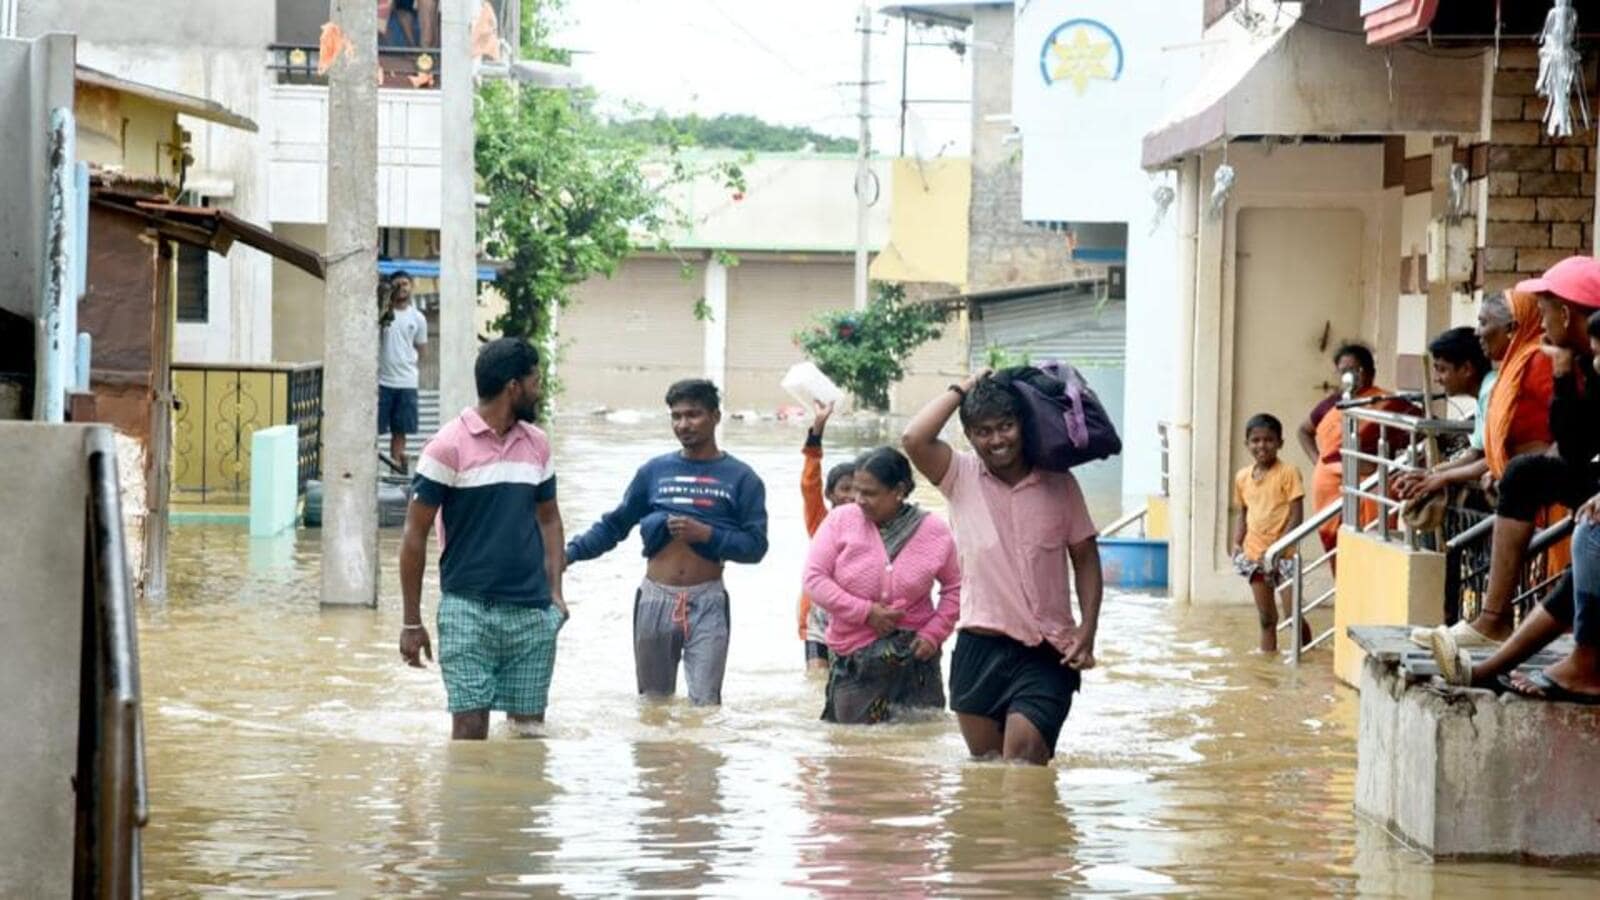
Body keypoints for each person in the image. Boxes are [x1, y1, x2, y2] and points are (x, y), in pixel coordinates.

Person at [902, 371, 1103, 765]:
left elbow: (1085, 557)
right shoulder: (958, 475)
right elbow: (913, 438)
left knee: (1023, 760)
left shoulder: (1060, 483)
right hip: (980, 647)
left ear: (1023, 425)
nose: (997, 440)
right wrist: (964, 387)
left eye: (1006, 426)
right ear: (970, 436)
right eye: (983, 431)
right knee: (988, 772)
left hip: (1048, 651)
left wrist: (1088, 628)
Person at [398, 338, 567, 740]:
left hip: (531, 613)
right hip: (466, 611)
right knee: (470, 733)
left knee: (528, 739)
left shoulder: (537, 444)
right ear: (514, 387)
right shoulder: (447, 446)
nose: (538, 389)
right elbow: (414, 534)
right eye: (535, 381)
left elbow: (550, 521)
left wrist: (556, 596)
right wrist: (410, 621)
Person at [565, 379, 768, 706]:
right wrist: (569, 554)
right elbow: (615, 525)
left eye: (693, 415)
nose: (683, 425)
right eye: (676, 416)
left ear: (716, 416)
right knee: (653, 707)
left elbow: (756, 547)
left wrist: (707, 535)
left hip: (709, 601)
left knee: (706, 706)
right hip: (655, 599)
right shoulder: (654, 472)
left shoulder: (742, 478)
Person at [1431, 258, 1600, 649]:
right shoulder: (1571, 358)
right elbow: (1576, 446)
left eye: (1544, 312)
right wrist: (1562, 375)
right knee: (1524, 474)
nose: (1541, 324)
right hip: (1582, 481)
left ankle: (1577, 653)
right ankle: (1494, 619)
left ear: (1564, 312)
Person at [804, 447, 961, 724]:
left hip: (916, 660)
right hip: (856, 661)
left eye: (870, 493)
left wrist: (934, 634)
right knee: (854, 750)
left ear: (899, 490)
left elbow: (956, 588)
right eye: (856, 491)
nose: (858, 500)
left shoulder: (934, 531)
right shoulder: (841, 520)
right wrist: (865, 612)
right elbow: (814, 579)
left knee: (915, 749)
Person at [1298, 343, 1410, 554]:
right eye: (1344, 371)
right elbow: (1304, 431)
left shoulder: (1388, 403)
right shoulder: (1332, 403)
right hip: (1330, 489)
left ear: (1369, 372)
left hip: (1372, 486)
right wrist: (1319, 463)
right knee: (1337, 547)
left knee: (1375, 545)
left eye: (1355, 370)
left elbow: (1419, 427)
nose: (1350, 376)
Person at [1391, 326, 1496, 505]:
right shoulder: (1483, 393)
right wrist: (1430, 474)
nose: (1436, 379)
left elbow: (1495, 459)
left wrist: (1444, 477)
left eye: (1442, 370)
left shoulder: (1492, 390)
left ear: (1466, 369)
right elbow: (1475, 454)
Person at [1229, 414, 1306, 653]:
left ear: (1280, 443)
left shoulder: (1288, 473)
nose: (1262, 445)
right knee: (1266, 619)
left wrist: (1279, 547)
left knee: (1292, 616)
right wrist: (1236, 542)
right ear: (1247, 444)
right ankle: (1267, 664)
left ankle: (1307, 652)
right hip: (1255, 556)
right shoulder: (1242, 477)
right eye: (1256, 440)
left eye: (1269, 440)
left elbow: (1296, 516)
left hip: (1283, 556)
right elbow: (1243, 512)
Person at [798, 401, 856, 671]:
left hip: (857, 616)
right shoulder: (821, 522)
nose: (851, 496)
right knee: (817, 681)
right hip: (819, 616)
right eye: (844, 489)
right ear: (830, 494)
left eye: (858, 490)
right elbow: (810, 483)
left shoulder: (874, 524)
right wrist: (817, 432)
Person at [378, 270, 428, 474]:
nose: (402, 288)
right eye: (397, 284)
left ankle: (396, 473)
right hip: (382, 381)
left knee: (400, 432)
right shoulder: (382, 314)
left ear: (411, 287)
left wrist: (413, 369)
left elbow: (422, 350)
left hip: (407, 383)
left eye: (405, 284)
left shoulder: (418, 318)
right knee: (373, 428)